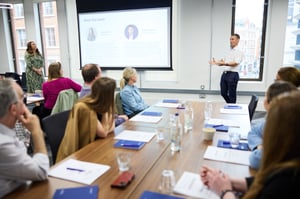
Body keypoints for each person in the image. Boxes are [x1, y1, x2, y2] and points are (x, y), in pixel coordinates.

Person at [200, 90, 300, 199]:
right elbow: (267, 182)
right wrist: (225, 181)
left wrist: (225, 191)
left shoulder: (288, 181)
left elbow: (275, 187)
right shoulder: (288, 167)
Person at [0, 79, 49, 198]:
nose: (25, 104)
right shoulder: (3, 145)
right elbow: (41, 171)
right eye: (22, 99)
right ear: (13, 109)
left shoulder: (7, 131)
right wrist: (36, 131)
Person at [56, 77, 116, 163]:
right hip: (80, 154)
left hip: (94, 146)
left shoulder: (101, 104)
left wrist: (107, 126)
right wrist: (105, 114)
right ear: (107, 95)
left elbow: (112, 126)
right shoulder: (85, 107)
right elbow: (103, 133)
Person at [247, 81, 297, 169]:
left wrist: (261, 150)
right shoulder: (273, 120)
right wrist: (260, 145)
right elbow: (254, 131)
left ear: (270, 102)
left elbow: (257, 159)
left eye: (266, 95)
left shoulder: (283, 127)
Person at [209, 33, 244, 103]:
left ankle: (232, 108)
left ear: (238, 40)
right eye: (230, 39)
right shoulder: (229, 50)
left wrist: (224, 63)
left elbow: (235, 63)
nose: (231, 41)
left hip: (233, 74)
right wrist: (216, 62)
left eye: (233, 39)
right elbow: (223, 61)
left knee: (232, 95)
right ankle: (230, 105)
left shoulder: (239, 51)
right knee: (223, 93)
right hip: (225, 74)